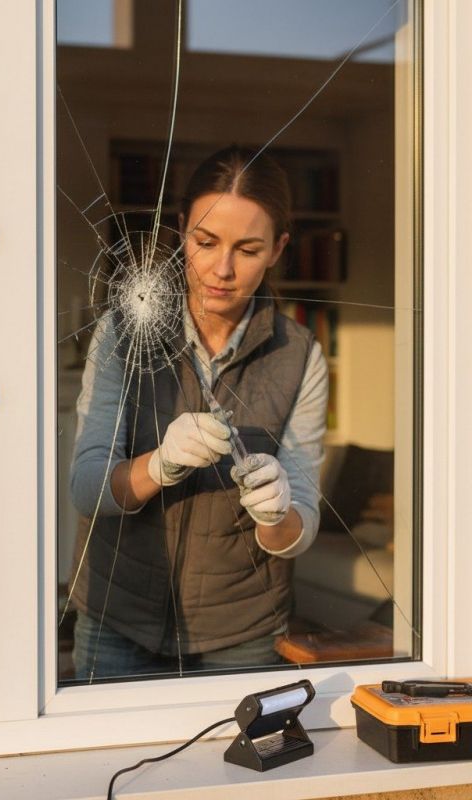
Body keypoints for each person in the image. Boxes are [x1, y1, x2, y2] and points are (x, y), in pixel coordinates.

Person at [68, 145, 328, 680]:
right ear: (182, 228)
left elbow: (300, 527)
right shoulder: (122, 332)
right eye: (205, 242)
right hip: (118, 616)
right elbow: (86, 487)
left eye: (248, 249)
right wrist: (159, 465)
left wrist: (277, 515)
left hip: (243, 630)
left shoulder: (300, 355)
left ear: (278, 249)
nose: (222, 269)